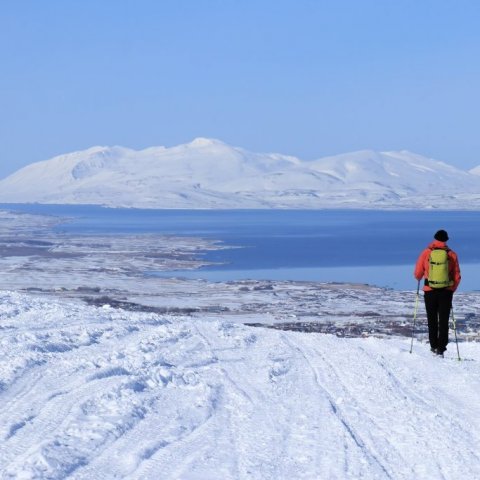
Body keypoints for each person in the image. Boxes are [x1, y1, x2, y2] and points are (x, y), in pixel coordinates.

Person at [414, 229, 461, 356]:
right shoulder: (452, 254)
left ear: (434, 238)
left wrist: (421, 277)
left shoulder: (426, 253)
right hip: (446, 292)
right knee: (444, 320)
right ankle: (441, 348)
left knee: (432, 319)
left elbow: (417, 274)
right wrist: (451, 289)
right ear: (446, 240)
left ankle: (433, 346)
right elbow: (457, 276)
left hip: (429, 291)